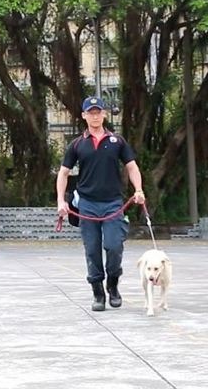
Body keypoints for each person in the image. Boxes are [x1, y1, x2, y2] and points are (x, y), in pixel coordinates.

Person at [56, 96, 146, 311]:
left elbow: (132, 167)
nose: (95, 116)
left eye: (98, 112)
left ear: (104, 114)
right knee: (92, 249)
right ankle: (97, 291)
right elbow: (63, 173)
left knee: (114, 246)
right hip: (87, 204)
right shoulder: (77, 144)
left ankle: (113, 284)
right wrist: (61, 201)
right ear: (84, 116)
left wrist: (139, 190)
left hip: (113, 203)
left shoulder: (118, 141)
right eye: (91, 112)